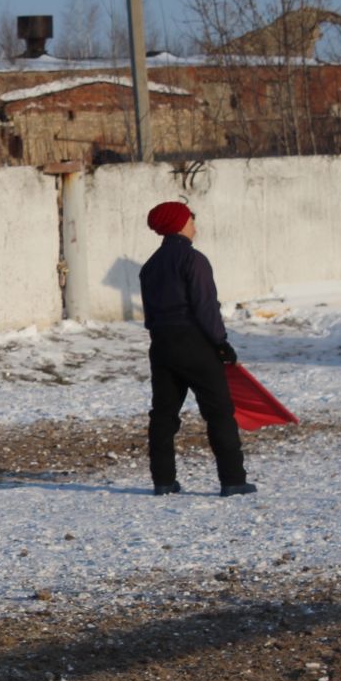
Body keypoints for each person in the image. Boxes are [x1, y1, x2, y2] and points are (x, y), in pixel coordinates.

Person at [138, 200, 254, 498]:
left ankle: (163, 481)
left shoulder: (150, 266)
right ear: (179, 223)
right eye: (191, 218)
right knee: (218, 413)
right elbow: (205, 307)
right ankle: (233, 481)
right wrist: (220, 342)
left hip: (161, 346)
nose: (194, 224)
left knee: (163, 415)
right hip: (195, 345)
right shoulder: (193, 260)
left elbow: (150, 315)